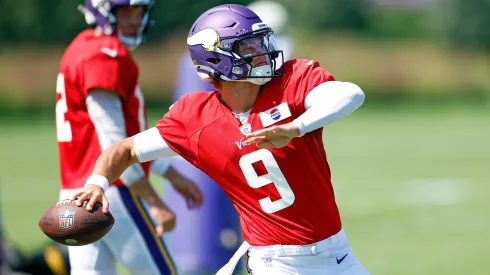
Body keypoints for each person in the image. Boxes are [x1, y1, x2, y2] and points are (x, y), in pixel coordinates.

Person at [72, 4, 370, 275]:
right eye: (249, 46)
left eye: (261, 40)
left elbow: (350, 94)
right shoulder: (195, 118)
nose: (263, 51)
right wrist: (96, 184)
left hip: (338, 254)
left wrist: (297, 127)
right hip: (277, 264)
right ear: (216, 59)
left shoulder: (292, 79)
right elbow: (123, 150)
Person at [55, 0, 203, 274]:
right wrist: (154, 202)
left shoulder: (81, 46)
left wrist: (170, 173)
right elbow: (113, 142)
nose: (135, 19)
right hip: (113, 191)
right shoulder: (104, 55)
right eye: (125, 11)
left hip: (75, 196)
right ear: (103, 10)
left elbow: (121, 138)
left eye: (139, 11)